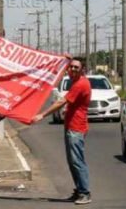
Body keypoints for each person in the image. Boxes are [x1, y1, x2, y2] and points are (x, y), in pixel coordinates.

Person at [32, 57, 92, 205]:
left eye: (76, 68)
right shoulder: (76, 80)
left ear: (82, 70)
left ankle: (85, 192)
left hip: (76, 128)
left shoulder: (81, 84)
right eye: (70, 67)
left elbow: (61, 102)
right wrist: (67, 60)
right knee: (72, 161)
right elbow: (70, 66)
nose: (72, 69)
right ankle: (79, 190)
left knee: (77, 161)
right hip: (71, 126)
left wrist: (42, 114)